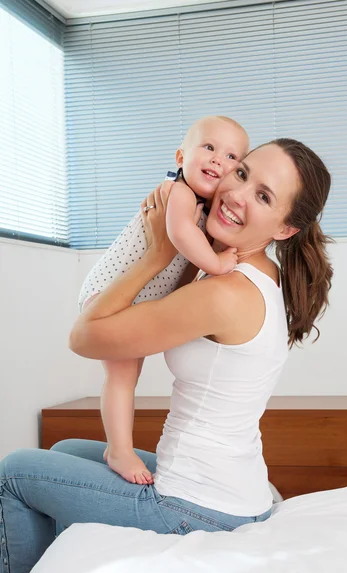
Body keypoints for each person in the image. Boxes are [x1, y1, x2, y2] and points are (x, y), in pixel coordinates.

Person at [0, 139, 333, 573]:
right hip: (235, 495)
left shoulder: (226, 292)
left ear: (285, 229)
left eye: (264, 196)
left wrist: (158, 252)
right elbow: (162, 308)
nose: (237, 194)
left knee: (14, 472)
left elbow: (83, 336)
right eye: (242, 174)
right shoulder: (249, 274)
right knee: (65, 448)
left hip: (198, 509)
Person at [78, 116, 249, 485]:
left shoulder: (205, 207)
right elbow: (180, 234)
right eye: (209, 147)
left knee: (127, 375)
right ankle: (119, 450)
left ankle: (117, 446)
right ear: (180, 156)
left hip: (137, 298)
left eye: (232, 156)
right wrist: (218, 263)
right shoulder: (178, 193)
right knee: (122, 376)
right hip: (110, 293)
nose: (219, 159)